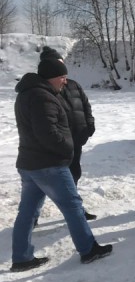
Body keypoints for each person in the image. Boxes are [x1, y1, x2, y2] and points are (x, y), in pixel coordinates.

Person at [10, 58, 112, 272]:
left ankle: (21, 258)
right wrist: (68, 149)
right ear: (52, 77)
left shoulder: (27, 93)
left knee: (27, 211)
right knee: (73, 206)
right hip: (48, 164)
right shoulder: (42, 97)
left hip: (29, 163)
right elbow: (47, 133)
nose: (65, 81)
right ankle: (88, 250)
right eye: (62, 77)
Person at [39, 46, 97, 221]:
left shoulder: (73, 84)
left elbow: (86, 106)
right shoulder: (44, 89)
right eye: (58, 63)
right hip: (57, 143)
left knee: (74, 175)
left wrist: (90, 125)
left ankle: (76, 209)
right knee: (43, 182)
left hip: (76, 139)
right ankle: (33, 215)